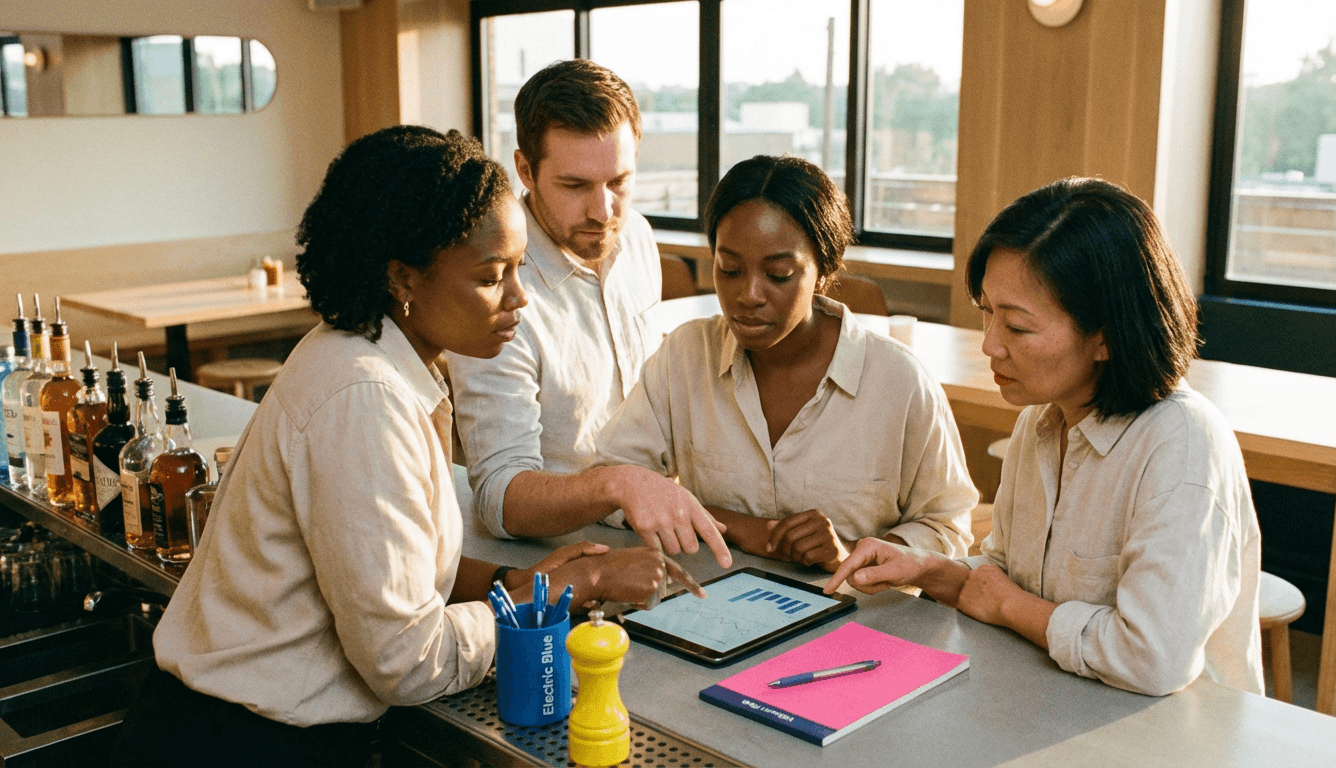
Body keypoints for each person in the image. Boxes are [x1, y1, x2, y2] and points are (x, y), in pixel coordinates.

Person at [111, 126, 669, 767]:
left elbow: (394, 568)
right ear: (404, 277)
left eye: (519, 271)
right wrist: (569, 590)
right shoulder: (363, 397)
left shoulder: (369, 356)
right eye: (493, 277)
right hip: (242, 745)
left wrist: (523, 581)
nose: (518, 298)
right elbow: (406, 662)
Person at [826, 177, 1264, 697]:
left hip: (1167, 733)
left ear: (1104, 335)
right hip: (1055, 698)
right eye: (987, 312)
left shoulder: (1183, 444)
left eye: (1017, 327)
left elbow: (1153, 659)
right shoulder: (1044, 419)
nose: (990, 345)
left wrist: (1009, 605)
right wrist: (928, 569)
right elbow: (1010, 574)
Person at [595, 155, 979, 572]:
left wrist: (852, 555)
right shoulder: (686, 357)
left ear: (825, 270)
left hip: (852, 618)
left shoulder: (899, 382)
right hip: (717, 607)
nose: (749, 295)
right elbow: (611, 488)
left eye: (778, 274)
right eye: (729, 270)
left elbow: (948, 528)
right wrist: (742, 527)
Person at [445, 59, 730, 567]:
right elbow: (497, 498)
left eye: (619, 181)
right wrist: (618, 485)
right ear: (526, 171)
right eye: (575, 186)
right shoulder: (497, 287)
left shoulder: (635, 235)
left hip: (652, 534)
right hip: (558, 558)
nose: (603, 212)